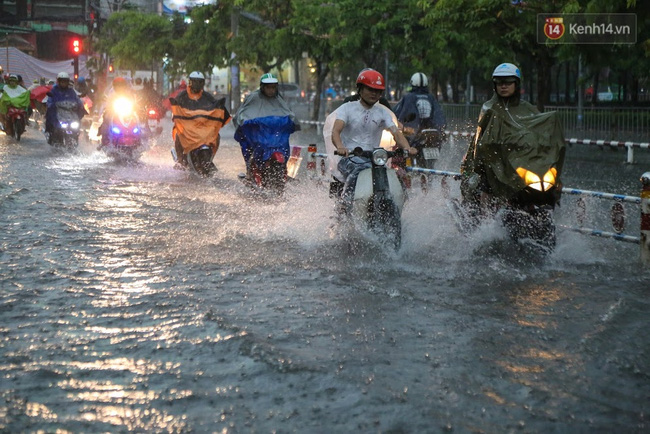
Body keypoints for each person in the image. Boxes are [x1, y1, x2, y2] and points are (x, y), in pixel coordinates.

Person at [327, 69, 416, 210]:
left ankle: (402, 212)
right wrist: (340, 147)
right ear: (360, 89)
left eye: (378, 91)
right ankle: (345, 208)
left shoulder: (382, 112)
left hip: (373, 160)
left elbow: (397, 134)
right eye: (370, 89)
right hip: (349, 158)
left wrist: (407, 148)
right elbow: (335, 132)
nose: (375, 93)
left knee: (394, 177)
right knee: (358, 172)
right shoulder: (347, 109)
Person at [460, 62, 540, 208]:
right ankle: (486, 225)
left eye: (508, 82)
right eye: (499, 82)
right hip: (492, 165)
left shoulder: (529, 110)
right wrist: (471, 163)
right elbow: (478, 138)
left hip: (520, 166)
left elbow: (540, 136)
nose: (503, 86)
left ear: (516, 84)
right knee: (486, 193)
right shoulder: (489, 108)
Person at [233, 73, 297, 176]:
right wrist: (246, 121)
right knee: (249, 148)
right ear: (263, 87)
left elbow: (287, 113)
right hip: (258, 135)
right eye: (268, 87)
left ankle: (282, 171)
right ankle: (250, 171)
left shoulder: (278, 99)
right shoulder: (253, 98)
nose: (271, 90)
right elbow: (243, 113)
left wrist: (291, 121)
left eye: (273, 87)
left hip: (276, 139)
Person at [170, 71, 231, 169]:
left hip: (203, 129)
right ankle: (180, 161)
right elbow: (175, 110)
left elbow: (216, 108)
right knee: (178, 134)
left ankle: (210, 159)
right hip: (187, 129)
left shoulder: (207, 97)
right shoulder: (182, 96)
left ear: (203, 83)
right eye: (194, 82)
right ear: (190, 82)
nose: (197, 85)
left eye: (199, 82)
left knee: (217, 137)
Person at [392, 72, 446, 137]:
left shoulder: (409, 97)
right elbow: (438, 115)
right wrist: (441, 128)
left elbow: (397, 111)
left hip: (411, 131)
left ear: (412, 83)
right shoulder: (431, 97)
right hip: (431, 130)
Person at [45, 72, 87, 143]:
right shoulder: (54, 90)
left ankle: (75, 140)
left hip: (70, 114)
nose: (63, 83)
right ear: (59, 82)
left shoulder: (71, 91)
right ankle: (52, 136)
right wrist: (51, 104)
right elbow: (50, 101)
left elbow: (77, 99)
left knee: (76, 128)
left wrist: (80, 105)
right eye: (62, 81)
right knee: (54, 125)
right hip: (58, 114)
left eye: (65, 81)